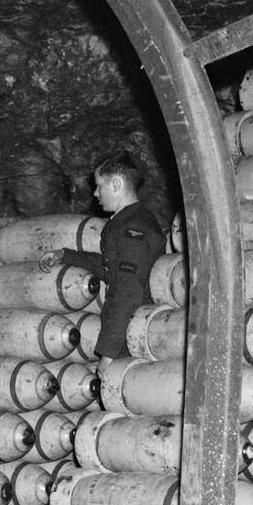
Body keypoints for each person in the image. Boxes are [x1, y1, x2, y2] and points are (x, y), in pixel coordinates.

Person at [39, 151, 166, 363]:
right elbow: (111, 268)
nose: (96, 193)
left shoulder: (133, 227)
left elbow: (127, 291)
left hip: (133, 335)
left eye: (99, 185)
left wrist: (108, 353)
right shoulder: (129, 220)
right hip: (131, 330)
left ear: (116, 184)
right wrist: (65, 255)